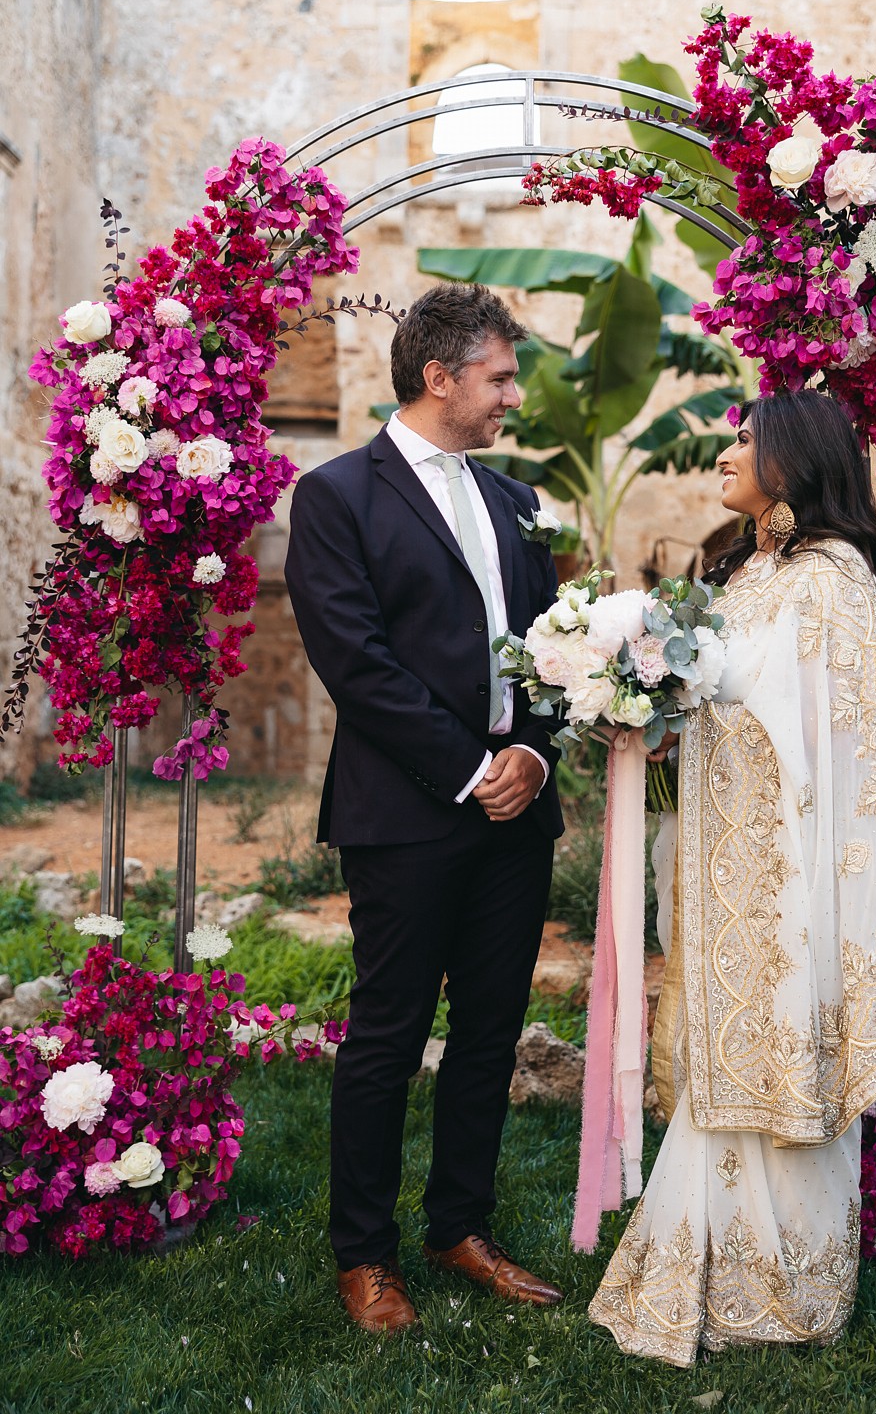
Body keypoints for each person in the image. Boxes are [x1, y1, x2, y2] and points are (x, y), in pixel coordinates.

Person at [588, 390, 876, 1365]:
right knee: (722, 1059)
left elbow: (840, 752)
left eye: (743, 440)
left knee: (783, 1056)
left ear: (793, 458)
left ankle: (787, 1287)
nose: (725, 453)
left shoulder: (831, 582)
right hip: (724, 869)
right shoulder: (749, 571)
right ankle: (704, 1263)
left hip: (792, 882)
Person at [284, 283, 566, 1334]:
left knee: (490, 1032)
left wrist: (531, 754)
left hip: (517, 811)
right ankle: (364, 1254)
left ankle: (460, 1226)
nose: (513, 395)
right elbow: (355, 661)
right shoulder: (335, 496)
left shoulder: (517, 501)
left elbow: (555, 649)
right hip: (405, 810)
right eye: (500, 377)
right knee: (387, 1038)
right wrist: (467, 769)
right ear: (439, 376)